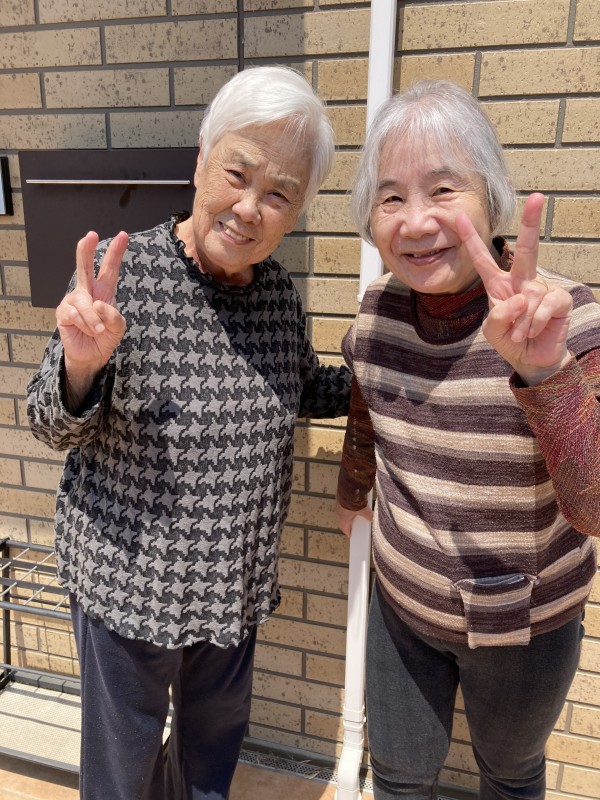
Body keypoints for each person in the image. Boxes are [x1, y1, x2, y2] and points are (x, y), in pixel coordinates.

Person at [27, 65, 351, 800]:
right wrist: (81, 366)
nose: (249, 208)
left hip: (232, 590)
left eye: (280, 194)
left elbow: (301, 387)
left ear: (297, 211)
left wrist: (390, 367)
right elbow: (48, 421)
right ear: (203, 159)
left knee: (208, 768)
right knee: (123, 776)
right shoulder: (124, 275)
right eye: (237, 173)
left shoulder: (276, 293)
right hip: (127, 591)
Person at [335, 79, 599, 800]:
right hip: (403, 610)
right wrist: (353, 489)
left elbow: (595, 507)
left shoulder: (567, 319)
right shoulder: (377, 312)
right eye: (391, 197)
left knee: (510, 777)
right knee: (399, 779)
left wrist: (545, 371)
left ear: (491, 197)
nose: (416, 221)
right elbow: (367, 406)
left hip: (529, 627)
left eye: (443, 189)